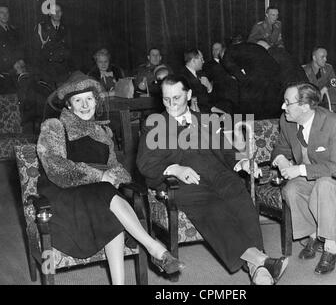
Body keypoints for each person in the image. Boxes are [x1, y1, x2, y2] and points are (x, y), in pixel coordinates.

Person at [136, 74, 288, 285]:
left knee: (241, 199)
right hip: (186, 182)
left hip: (219, 175)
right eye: (166, 99)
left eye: (177, 98)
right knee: (214, 209)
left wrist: (241, 162)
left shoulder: (206, 120)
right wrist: (175, 168)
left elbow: (227, 152)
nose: (171, 104)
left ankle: (257, 266)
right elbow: (145, 164)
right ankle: (261, 263)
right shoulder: (155, 126)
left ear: (189, 95)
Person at [36, 72, 184, 285]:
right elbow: (55, 167)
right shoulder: (55, 126)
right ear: (69, 105)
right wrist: (99, 175)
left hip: (97, 198)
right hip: (62, 198)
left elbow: (115, 168)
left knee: (110, 202)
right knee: (106, 191)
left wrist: (119, 178)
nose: (85, 105)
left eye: (89, 99)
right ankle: (154, 247)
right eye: (78, 100)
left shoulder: (103, 132)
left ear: (96, 101)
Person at [271, 82, 336, 275]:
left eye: (287, 102)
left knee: (324, 186)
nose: (282, 107)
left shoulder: (333, 122)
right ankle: (313, 233)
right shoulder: (287, 120)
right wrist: (282, 162)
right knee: (291, 190)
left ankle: (330, 246)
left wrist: (300, 169)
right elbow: (280, 147)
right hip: (312, 172)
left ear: (304, 107)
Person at [221, 41, 282, 119]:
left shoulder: (227, 54)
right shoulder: (252, 46)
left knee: (245, 107)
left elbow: (240, 77)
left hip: (258, 78)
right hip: (275, 75)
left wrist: (242, 81)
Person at [34, 3, 72, 88]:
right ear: (49, 13)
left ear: (62, 13)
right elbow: (36, 50)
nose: (57, 13)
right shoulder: (42, 27)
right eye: (54, 11)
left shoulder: (66, 27)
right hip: (48, 69)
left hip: (63, 68)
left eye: (59, 11)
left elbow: (70, 47)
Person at [180, 48, 224, 114]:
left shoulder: (200, 73)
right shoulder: (182, 77)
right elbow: (194, 102)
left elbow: (211, 98)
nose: (203, 61)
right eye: (201, 59)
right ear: (194, 61)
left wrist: (209, 87)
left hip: (208, 109)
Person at [203, 42, 239, 115]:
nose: (214, 51)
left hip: (234, 98)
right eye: (213, 49)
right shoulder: (207, 65)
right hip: (219, 99)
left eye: (217, 49)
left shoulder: (230, 62)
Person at [0, 4, 23, 94]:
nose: (5, 15)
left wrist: (21, 61)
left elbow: (20, 49)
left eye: (7, 12)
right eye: (1, 13)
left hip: (15, 71)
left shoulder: (14, 31)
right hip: (3, 72)